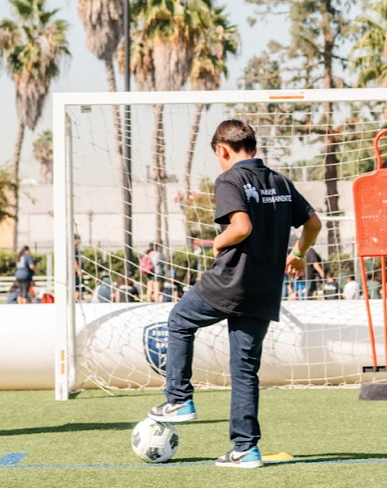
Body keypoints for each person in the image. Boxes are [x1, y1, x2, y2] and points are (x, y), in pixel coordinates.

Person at [146, 119, 321, 469]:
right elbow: (313, 224)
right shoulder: (280, 181)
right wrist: (299, 254)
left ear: (223, 150)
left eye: (218, 156)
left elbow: (241, 228)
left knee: (179, 321)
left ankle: (179, 400)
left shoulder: (230, 178)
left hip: (230, 281)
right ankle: (245, 450)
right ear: (254, 148)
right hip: (264, 289)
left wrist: (218, 241)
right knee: (244, 370)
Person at [74, 234, 84, 301]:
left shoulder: (75, 248)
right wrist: (78, 270)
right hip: (75, 272)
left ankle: (77, 300)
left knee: (78, 288)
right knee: (77, 288)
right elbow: (74, 260)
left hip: (76, 271)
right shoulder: (74, 249)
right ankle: (75, 301)